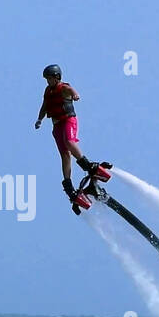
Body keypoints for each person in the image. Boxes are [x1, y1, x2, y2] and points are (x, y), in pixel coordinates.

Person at [33, 64, 111, 211]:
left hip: (68, 120)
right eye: (46, 79)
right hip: (56, 126)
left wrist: (76, 95)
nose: (47, 81)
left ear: (56, 77)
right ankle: (68, 185)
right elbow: (44, 106)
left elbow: (72, 90)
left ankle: (90, 166)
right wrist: (39, 119)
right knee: (64, 155)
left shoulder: (63, 88)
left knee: (69, 142)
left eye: (49, 78)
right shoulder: (48, 91)